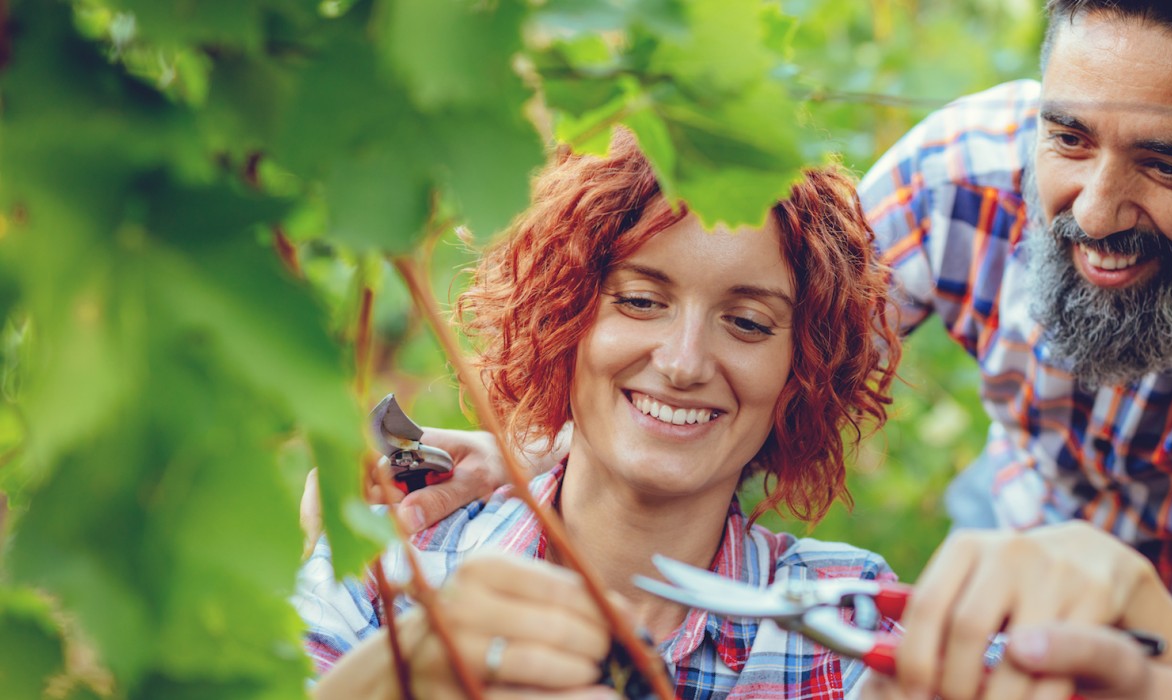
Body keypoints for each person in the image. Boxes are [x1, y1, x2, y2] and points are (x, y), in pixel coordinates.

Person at [326, 2, 1172, 698]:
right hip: (1014, 551)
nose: (1091, 206)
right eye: (1067, 137)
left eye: (1169, 163)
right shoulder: (959, 173)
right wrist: (546, 460)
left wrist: (1155, 679)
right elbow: (737, 331)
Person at [294, 131, 912, 698]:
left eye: (747, 323)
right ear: (563, 318)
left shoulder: (854, 627)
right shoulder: (389, 570)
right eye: (641, 301)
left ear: (801, 371)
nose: (683, 362)